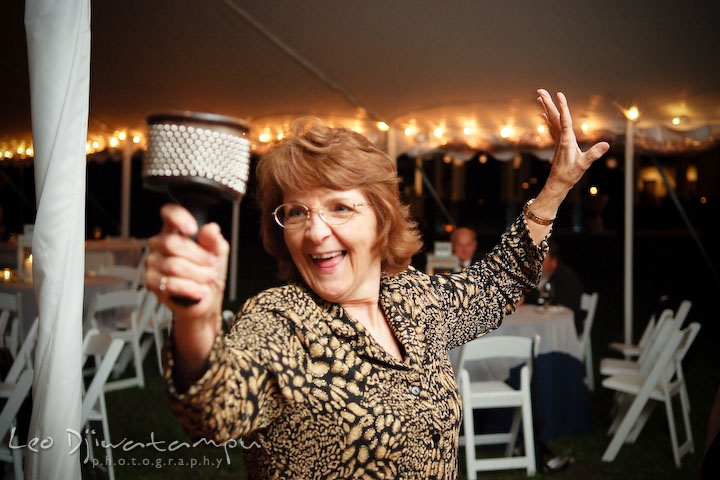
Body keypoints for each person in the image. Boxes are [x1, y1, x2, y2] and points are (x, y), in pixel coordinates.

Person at [145, 90, 609, 478]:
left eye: (340, 208)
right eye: (298, 211)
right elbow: (214, 409)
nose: (315, 230)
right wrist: (196, 321)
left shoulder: (414, 296)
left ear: (381, 220)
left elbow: (495, 284)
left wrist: (556, 188)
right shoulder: (279, 321)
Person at [525, 238, 585, 333]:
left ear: (554, 262)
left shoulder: (566, 278)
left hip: (563, 332)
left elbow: (564, 310)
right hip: (538, 327)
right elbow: (526, 302)